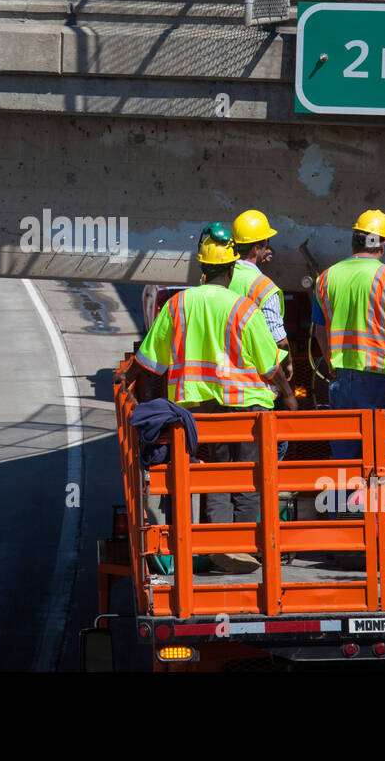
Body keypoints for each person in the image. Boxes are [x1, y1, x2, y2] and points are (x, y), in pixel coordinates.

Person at [116, 233, 295, 574]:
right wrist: (288, 400)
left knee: (213, 477)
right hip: (247, 410)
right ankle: (241, 546)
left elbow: (149, 362)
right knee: (248, 477)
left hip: (197, 414)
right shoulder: (244, 309)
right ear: (230, 270)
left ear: (202, 269)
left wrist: (126, 385)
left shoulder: (178, 305)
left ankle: (218, 545)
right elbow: (271, 367)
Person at [313, 209, 385, 459]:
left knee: (346, 459)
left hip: (342, 380)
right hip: (383, 382)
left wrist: (334, 364)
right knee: (383, 459)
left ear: (355, 239)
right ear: (384, 244)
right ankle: (381, 500)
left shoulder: (326, 278)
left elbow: (320, 331)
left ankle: (345, 498)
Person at [229, 209, 293, 393]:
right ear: (258, 247)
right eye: (266, 243)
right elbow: (278, 341)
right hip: (251, 385)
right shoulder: (264, 286)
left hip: (216, 380)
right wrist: (288, 363)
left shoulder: (213, 276)